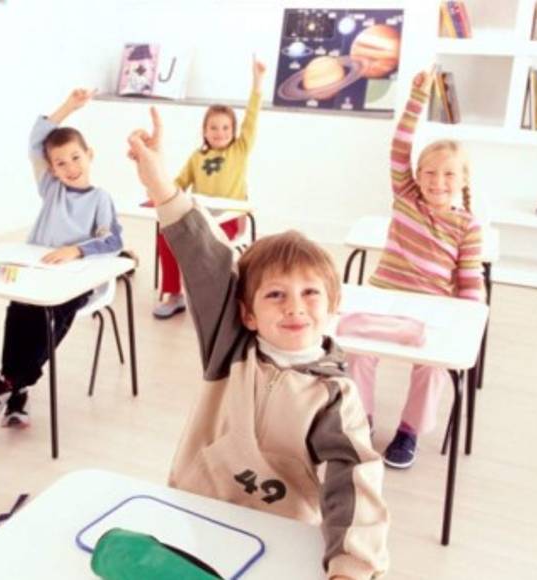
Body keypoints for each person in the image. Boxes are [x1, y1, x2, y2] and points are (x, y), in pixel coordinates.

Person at [126, 107, 388, 579]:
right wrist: (161, 185)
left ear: (333, 307)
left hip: (278, 535)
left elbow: (355, 478)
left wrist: (351, 566)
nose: (295, 307)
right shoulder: (230, 347)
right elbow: (205, 260)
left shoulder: (335, 396)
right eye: (275, 295)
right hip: (196, 510)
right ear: (248, 313)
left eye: (311, 293)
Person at [348, 69, 484, 469]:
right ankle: (362, 420)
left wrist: (465, 324)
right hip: (383, 297)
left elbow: (471, 282)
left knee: (432, 365)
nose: (436, 181)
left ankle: (408, 431)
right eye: (428, 171)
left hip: (433, 306)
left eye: (447, 174)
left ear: (462, 180)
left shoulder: (468, 225)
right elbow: (400, 145)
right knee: (357, 352)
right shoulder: (406, 197)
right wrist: (415, 97)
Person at [0, 88, 123, 429]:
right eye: (60, 162)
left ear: (90, 155)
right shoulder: (51, 189)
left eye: (75, 158)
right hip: (36, 273)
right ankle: (16, 392)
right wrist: (69, 107)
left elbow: (114, 240)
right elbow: (35, 142)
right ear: (51, 169)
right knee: (19, 313)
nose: (69, 167)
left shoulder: (100, 198)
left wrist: (77, 249)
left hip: (75, 281)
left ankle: (7, 385)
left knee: (46, 318)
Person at [153, 56, 266, 319]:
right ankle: (174, 293)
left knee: (201, 242)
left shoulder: (239, 150)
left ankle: (213, 296)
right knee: (166, 235)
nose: (219, 132)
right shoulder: (197, 157)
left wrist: (258, 81)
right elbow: (179, 184)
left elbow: (252, 118)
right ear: (204, 131)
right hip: (201, 215)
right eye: (213, 127)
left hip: (230, 219)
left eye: (226, 127)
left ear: (234, 131)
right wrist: (157, 188)